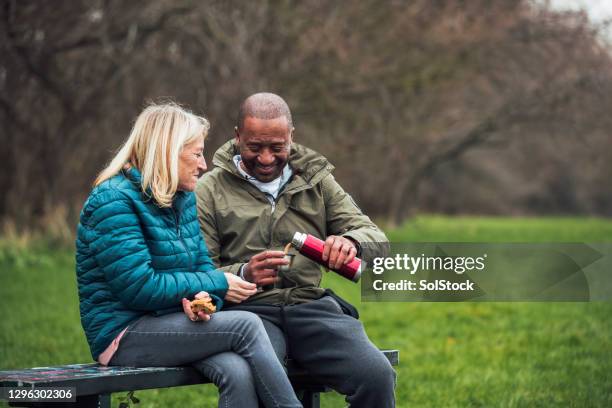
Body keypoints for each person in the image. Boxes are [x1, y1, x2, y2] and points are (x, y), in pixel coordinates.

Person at [75, 103, 302, 408]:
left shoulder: (182, 199)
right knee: (246, 325)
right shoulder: (112, 201)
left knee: (237, 372)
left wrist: (203, 303)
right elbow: (139, 287)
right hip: (123, 335)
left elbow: (202, 269)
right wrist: (219, 282)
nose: (204, 165)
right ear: (168, 152)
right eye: (196, 154)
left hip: (173, 322)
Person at [195, 93, 396, 407]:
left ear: (291, 137)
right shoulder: (209, 189)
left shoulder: (317, 181)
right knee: (260, 380)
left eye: (277, 147)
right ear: (237, 137)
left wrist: (352, 242)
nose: (265, 158)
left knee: (376, 375)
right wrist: (244, 273)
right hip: (249, 313)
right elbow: (199, 271)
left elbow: (377, 240)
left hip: (311, 308)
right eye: (254, 147)